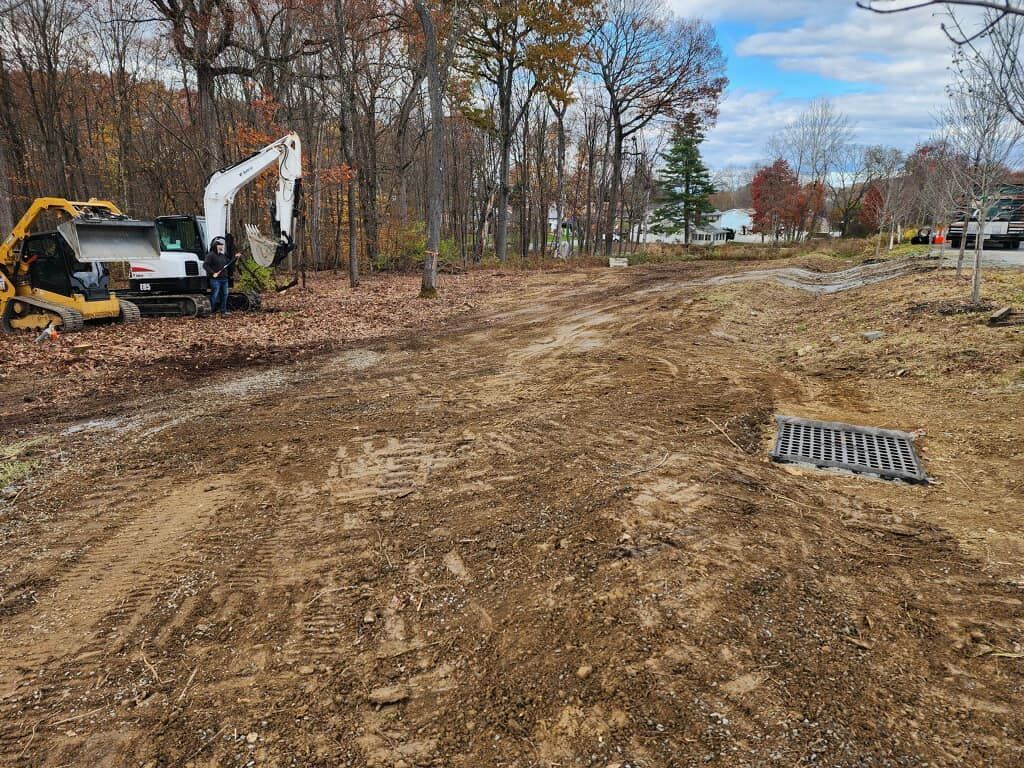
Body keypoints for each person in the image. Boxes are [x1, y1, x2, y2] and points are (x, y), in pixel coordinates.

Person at [203, 237, 239, 316]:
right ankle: (210, 311)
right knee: (214, 295)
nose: (222, 247)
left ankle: (223, 311)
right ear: (216, 246)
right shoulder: (210, 255)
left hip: (224, 279)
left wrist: (235, 258)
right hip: (215, 280)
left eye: (223, 245)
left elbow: (229, 263)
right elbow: (205, 265)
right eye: (221, 245)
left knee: (225, 295)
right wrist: (213, 273)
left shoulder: (223, 256)